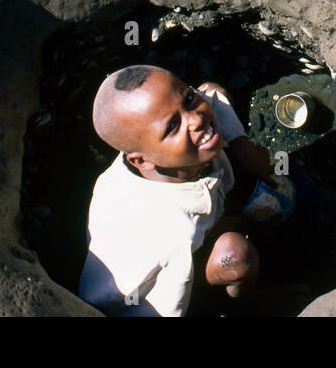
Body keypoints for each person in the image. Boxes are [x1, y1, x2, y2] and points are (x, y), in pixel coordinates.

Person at [77, 64, 282, 316]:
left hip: (201, 213)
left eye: (188, 98)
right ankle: (250, 305)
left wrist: (240, 145)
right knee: (235, 256)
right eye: (173, 126)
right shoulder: (171, 234)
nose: (196, 119)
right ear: (141, 161)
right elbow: (167, 307)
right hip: (149, 292)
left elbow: (211, 93)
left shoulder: (162, 146)